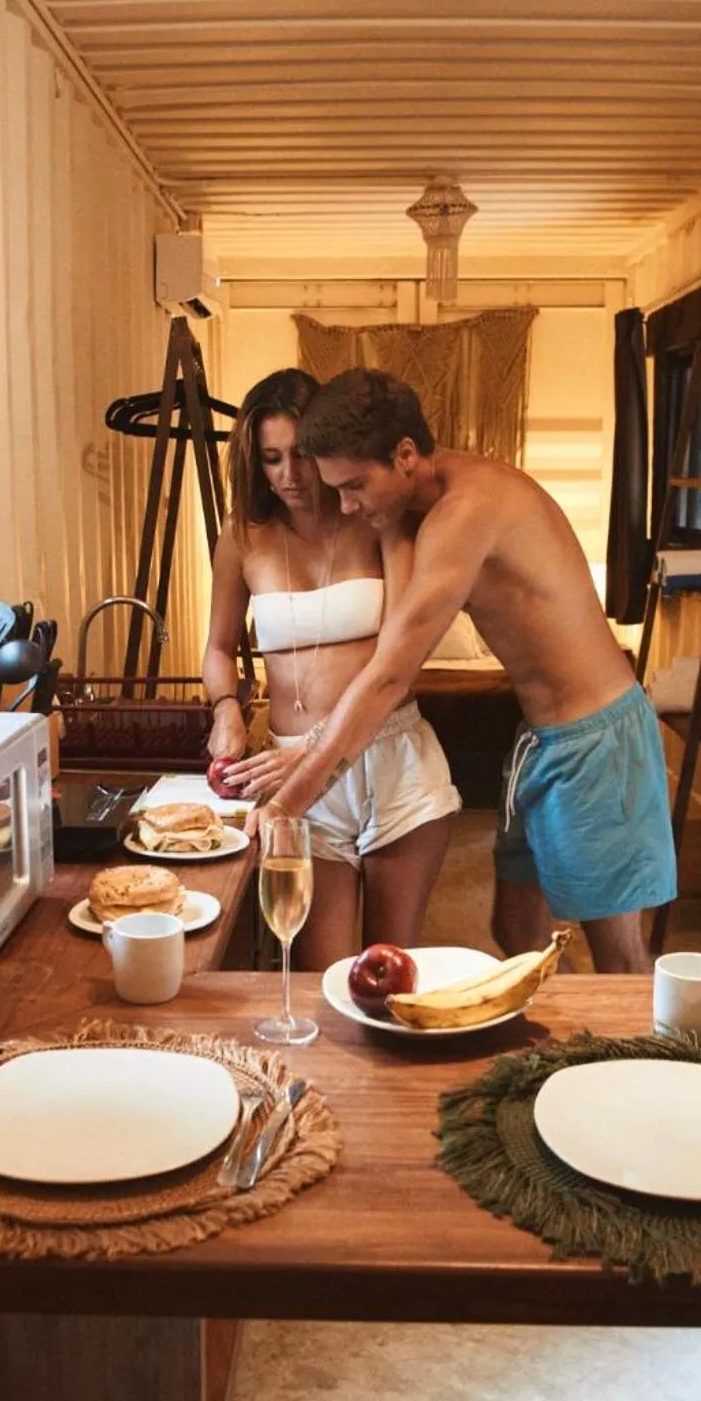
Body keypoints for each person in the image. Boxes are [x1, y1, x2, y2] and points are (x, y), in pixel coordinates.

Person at [261, 369, 677, 972]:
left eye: (353, 487)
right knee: (516, 932)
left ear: (405, 454)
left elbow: (388, 677)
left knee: (620, 961)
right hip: (539, 740)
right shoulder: (424, 505)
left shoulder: (467, 511)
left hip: (596, 741)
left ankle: (640, 1059)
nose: (347, 506)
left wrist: (286, 803)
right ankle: (554, 1058)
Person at [202, 368, 460, 969]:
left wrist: (319, 747)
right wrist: (227, 710)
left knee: (390, 972)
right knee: (323, 978)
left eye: (300, 455)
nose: (290, 476)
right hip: (296, 781)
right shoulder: (243, 537)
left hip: (393, 764)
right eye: (270, 459)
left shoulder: (379, 521)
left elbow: (402, 660)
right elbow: (219, 648)